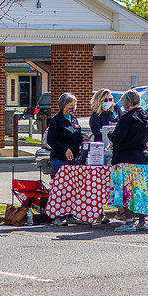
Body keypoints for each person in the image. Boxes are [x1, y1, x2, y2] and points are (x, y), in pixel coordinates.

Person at [108, 90, 148, 232]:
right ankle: (142, 222)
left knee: (127, 191)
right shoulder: (147, 117)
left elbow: (117, 137)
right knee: (141, 192)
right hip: (142, 158)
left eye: (123, 103)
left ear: (127, 102)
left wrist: (110, 134)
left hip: (125, 159)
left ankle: (129, 222)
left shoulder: (127, 118)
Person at [46, 92, 86, 225]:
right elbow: (51, 139)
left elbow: (75, 136)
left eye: (74, 105)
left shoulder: (74, 119)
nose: (72, 108)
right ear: (63, 105)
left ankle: (70, 214)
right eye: (70, 105)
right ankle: (58, 216)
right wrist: (65, 149)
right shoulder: (56, 120)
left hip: (73, 159)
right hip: (60, 158)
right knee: (61, 187)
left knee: (72, 188)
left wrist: (82, 139)